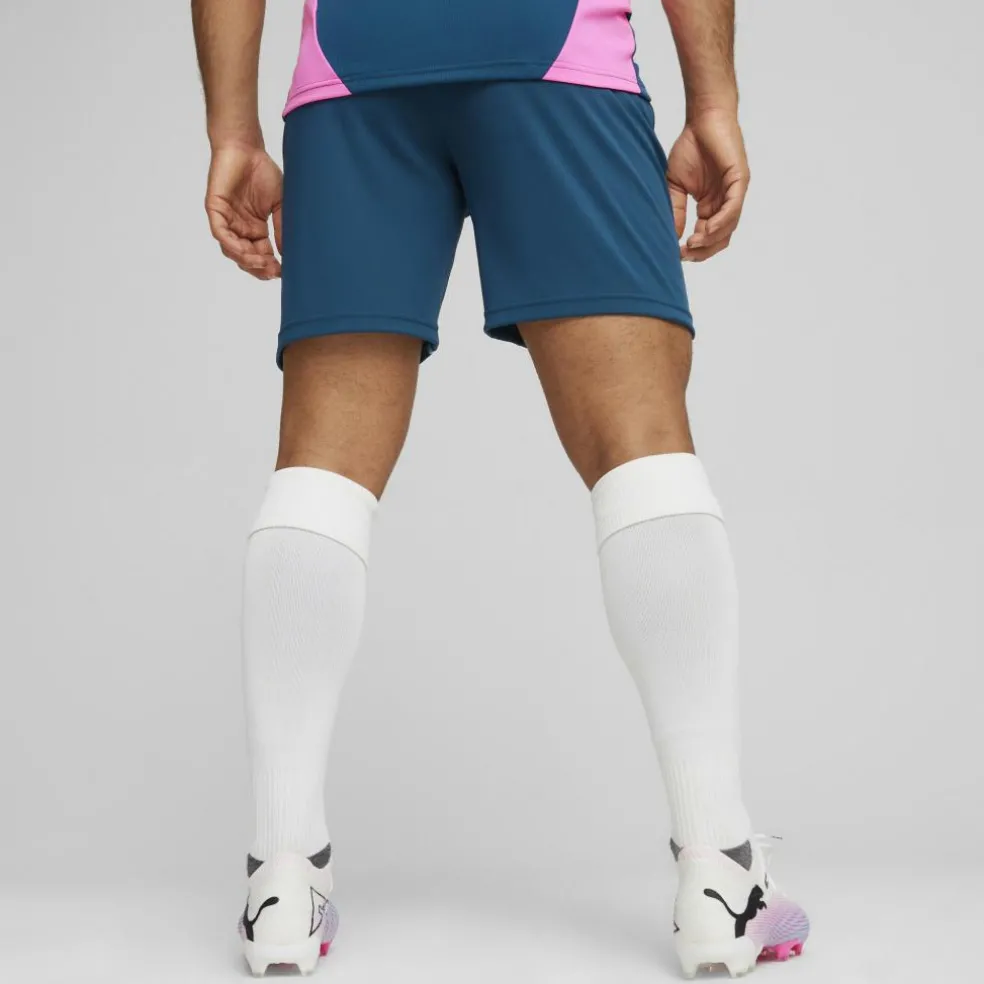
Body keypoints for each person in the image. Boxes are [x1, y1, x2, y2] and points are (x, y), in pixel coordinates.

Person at [191, 0, 809, 978]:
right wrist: (715, 103)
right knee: (640, 445)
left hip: (355, 59)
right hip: (554, 48)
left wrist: (233, 129)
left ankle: (280, 880)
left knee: (321, 466)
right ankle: (720, 878)